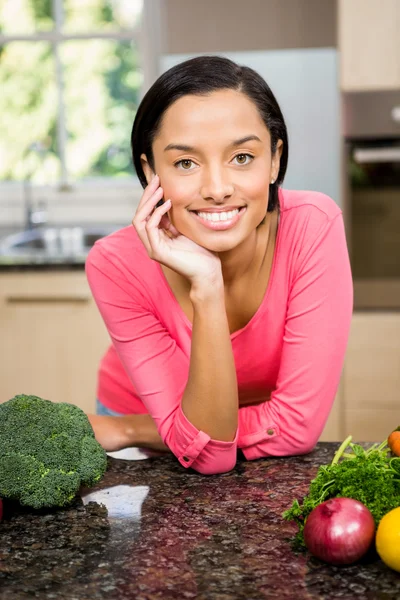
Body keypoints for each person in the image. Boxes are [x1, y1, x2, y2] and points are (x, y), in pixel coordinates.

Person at [86, 55, 353, 475]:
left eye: (242, 157)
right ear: (149, 170)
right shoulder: (115, 263)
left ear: (275, 161)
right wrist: (207, 285)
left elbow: (297, 429)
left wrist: (138, 430)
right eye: (185, 163)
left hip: (130, 429)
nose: (216, 189)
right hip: (137, 444)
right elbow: (211, 456)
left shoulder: (312, 228)